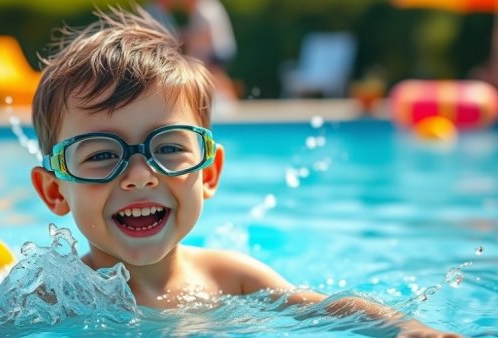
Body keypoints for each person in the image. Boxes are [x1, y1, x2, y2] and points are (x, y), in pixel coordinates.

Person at [30, 6, 458, 337]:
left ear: (210, 173)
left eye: (169, 147)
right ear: (55, 192)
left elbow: (324, 307)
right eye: (102, 154)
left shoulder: (229, 277)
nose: (140, 174)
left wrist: (406, 328)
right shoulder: (51, 300)